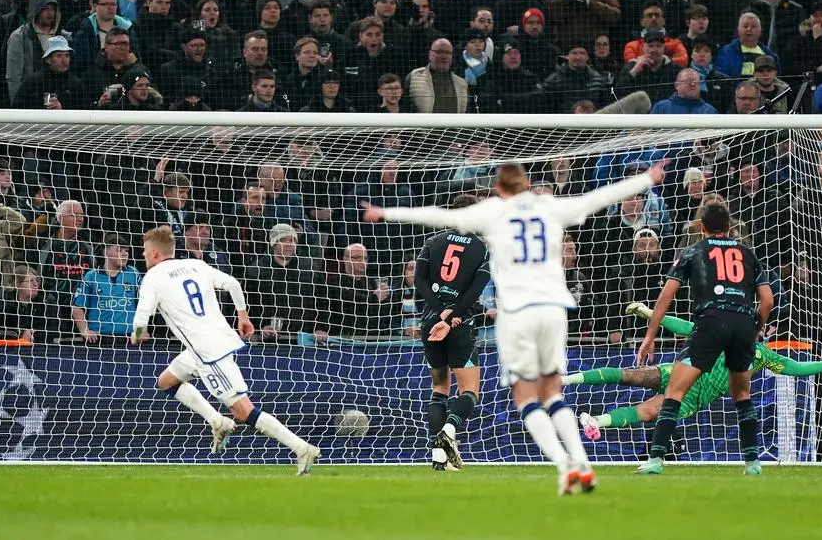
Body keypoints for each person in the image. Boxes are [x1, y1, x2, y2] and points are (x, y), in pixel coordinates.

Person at [363, 160, 669, 494]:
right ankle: (581, 462)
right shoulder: (549, 207)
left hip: (516, 312)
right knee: (552, 391)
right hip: (553, 309)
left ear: (498, 189)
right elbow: (599, 197)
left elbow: (440, 217)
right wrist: (646, 178)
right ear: (527, 184)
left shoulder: (494, 212)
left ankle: (564, 466)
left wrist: (386, 212)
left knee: (525, 397)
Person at [130, 226, 321, 473]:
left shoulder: (153, 278)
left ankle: (301, 448)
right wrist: (243, 316)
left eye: (145, 251)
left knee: (243, 411)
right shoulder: (195, 265)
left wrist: (137, 336)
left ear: (155, 253)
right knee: (167, 381)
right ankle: (217, 421)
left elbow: (141, 319)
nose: (144, 256)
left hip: (208, 353)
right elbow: (232, 283)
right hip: (212, 342)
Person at [634, 201, 773, 476]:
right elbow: (767, 300)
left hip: (711, 323)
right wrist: (756, 327)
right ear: (730, 227)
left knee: (675, 391)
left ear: (701, 227)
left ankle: (656, 460)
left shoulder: (694, 252)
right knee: (742, 394)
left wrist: (650, 336)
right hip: (743, 324)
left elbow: (666, 296)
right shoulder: (747, 253)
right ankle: (753, 463)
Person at [572, 303, 822, 432]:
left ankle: (597, 422)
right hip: (682, 372)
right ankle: (567, 379)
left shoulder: (762, 355)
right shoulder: (722, 334)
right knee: (633, 375)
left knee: (650, 410)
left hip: (694, 397)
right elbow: (687, 327)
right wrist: (651, 314)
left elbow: (794, 368)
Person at [414, 194, 492, 471]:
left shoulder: (433, 242)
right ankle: (449, 428)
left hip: (430, 324)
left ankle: (439, 458)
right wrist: (452, 316)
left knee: (439, 389)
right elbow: (474, 291)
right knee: (469, 390)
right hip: (460, 326)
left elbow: (419, 281)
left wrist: (439, 312)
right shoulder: (482, 249)